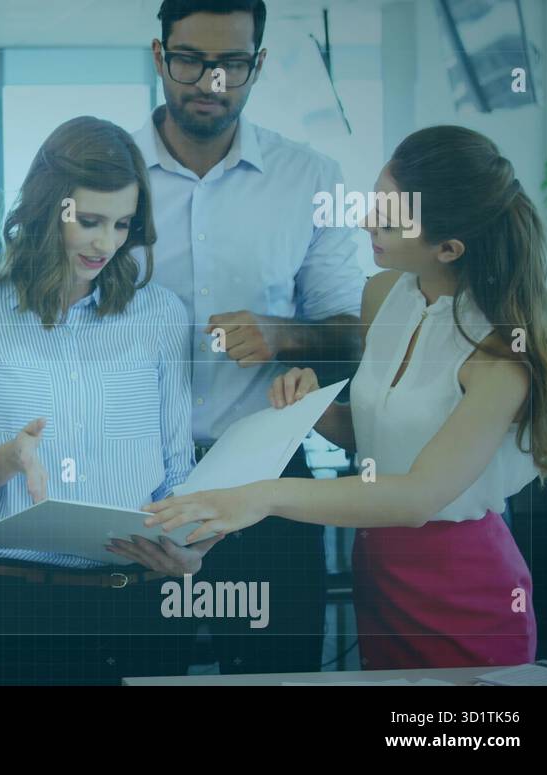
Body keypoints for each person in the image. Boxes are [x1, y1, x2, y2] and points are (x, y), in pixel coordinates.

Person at [138, 125, 547, 669]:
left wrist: (262, 496)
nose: (367, 222)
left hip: (464, 585)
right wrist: (316, 408)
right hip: (380, 570)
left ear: (448, 247)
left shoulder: (499, 357)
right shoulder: (384, 294)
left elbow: (416, 496)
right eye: (375, 203)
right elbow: (379, 439)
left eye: (389, 220)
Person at [0, 116, 222, 686]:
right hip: (17, 611)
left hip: (140, 608)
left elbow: (177, 476)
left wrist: (191, 549)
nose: (107, 243)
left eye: (122, 224)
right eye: (89, 221)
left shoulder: (160, 315)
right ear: (46, 207)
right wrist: (9, 459)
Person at [132, 0, 366, 673]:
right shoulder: (108, 176)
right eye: (191, 60)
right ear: (159, 57)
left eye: (232, 63)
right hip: (135, 485)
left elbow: (352, 337)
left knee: (279, 673)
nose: (211, 82)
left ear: (257, 65)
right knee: (140, 671)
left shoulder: (310, 177)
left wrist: (282, 335)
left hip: (268, 486)